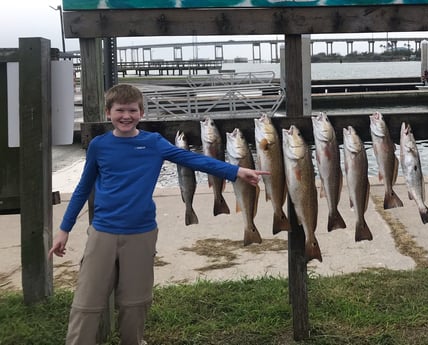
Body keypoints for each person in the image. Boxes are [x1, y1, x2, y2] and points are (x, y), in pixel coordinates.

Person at [48, 84, 269, 345]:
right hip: (102, 231)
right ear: (109, 113)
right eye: (120, 110)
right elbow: (83, 188)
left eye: (132, 110)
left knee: (135, 302)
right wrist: (64, 228)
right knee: (87, 302)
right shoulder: (99, 145)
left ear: (141, 112)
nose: (126, 116)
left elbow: (194, 160)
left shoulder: (153, 143)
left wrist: (236, 171)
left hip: (141, 232)